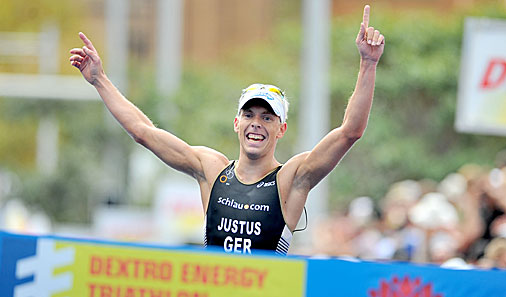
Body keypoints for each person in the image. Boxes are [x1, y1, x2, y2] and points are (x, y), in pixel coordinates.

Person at [69, 5, 385, 255]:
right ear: (237, 123)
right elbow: (143, 132)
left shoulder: (291, 179)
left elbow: (349, 133)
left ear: (281, 129)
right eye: (249, 115)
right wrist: (99, 80)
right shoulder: (211, 169)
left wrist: (368, 64)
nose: (256, 124)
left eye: (267, 118)